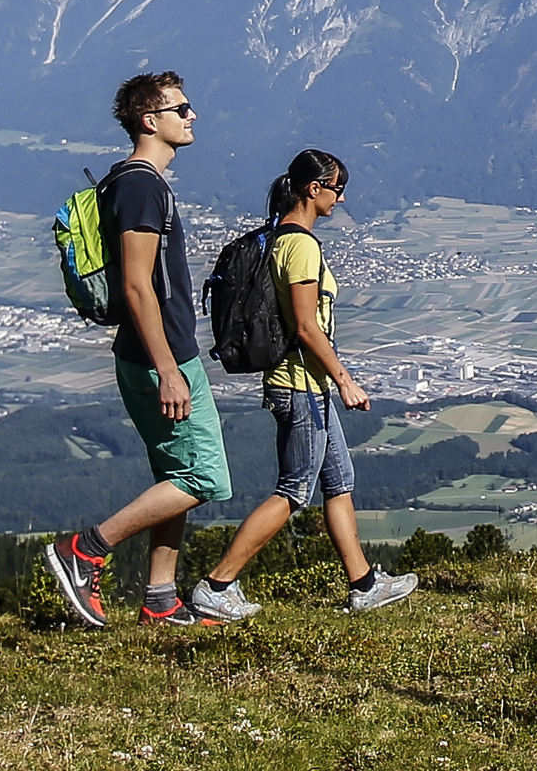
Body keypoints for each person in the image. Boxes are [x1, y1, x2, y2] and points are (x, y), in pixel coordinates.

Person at [188, 147, 417, 620]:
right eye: (337, 188)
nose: (341, 198)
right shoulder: (301, 246)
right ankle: (216, 584)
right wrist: (345, 380)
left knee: (339, 482)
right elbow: (307, 326)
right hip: (300, 386)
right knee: (293, 491)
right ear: (314, 189)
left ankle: (364, 585)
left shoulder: (280, 238)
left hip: (304, 386)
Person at [41, 72, 230, 629]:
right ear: (151, 120)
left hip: (149, 351)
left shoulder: (129, 182)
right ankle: (85, 550)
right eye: (181, 108)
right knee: (203, 478)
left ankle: (160, 599)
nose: (192, 116)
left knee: (176, 474)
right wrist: (169, 369)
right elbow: (136, 284)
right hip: (160, 355)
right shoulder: (142, 186)